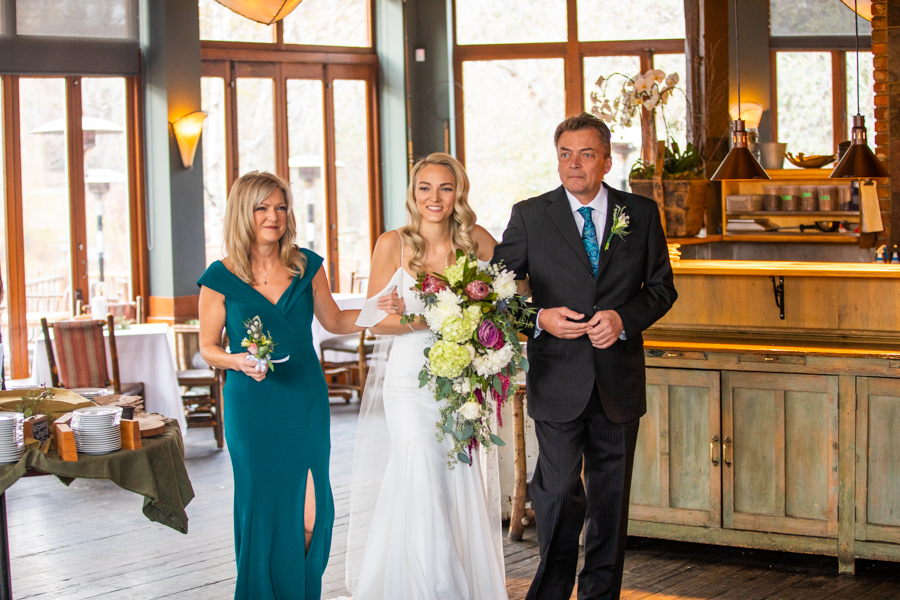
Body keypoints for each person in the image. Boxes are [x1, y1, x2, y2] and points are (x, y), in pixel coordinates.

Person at [492, 112, 677, 600]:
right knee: (555, 495)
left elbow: (661, 290)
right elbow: (494, 296)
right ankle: (550, 592)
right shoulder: (530, 215)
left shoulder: (641, 213)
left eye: (586, 154)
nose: (574, 165)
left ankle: (600, 594)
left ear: (607, 160)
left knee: (611, 502)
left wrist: (623, 320)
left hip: (617, 379)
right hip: (557, 379)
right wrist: (538, 319)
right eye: (565, 154)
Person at [344, 153, 508, 600]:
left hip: (461, 386)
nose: (434, 198)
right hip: (409, 384)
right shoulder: (392, 243)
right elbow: (375, 321)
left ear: (459, 193)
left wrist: (482, 324)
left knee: (454, 484)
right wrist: (429, 320)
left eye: (445, 188)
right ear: (413, 194)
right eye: (425, 188)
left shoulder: (477, 240)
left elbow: (512, 297)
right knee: (421, 474)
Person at [198, 171, 361, 600]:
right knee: (262, 510)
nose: (274, 216)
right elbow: (207, 348)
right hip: (251, 405)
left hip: (304, 399)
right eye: (262, 207)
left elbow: (335, 321)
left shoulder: (307, 265)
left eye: (281, 207)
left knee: (313, 512)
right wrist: (236, 361)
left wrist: (379, 310)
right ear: (243, 213)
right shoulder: (220, 276)